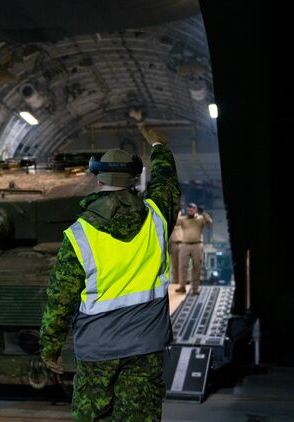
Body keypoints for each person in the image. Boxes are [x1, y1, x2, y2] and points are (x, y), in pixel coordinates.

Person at [40, 110, 180, 421]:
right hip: (146, 346)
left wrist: (50, 347)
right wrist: (160, 149)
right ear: (134, 179)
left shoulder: (80, 234)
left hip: (97, 350)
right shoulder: (157, 218)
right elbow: (166, 185)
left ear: (98, 178)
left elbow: (60, 300)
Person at [174, 203, 212, 295]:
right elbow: (175, 223)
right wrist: (177, 213)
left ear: (195, 210)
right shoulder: (183, 219)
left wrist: (204, 213)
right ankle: (182, 286)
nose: (190, 211)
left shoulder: (200, 219)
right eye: (189, 209)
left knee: (196, 267)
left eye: (192, 209)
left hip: (197, 245)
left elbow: (209, 222)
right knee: (183, 267)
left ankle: (195, 288)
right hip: (185, 245)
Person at [170, 210, 184, 287]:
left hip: (182, 244)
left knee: (182, 264)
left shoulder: (183, 221)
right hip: (173, 244)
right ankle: (175, 281)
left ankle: (183, 281)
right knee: (174, 265)